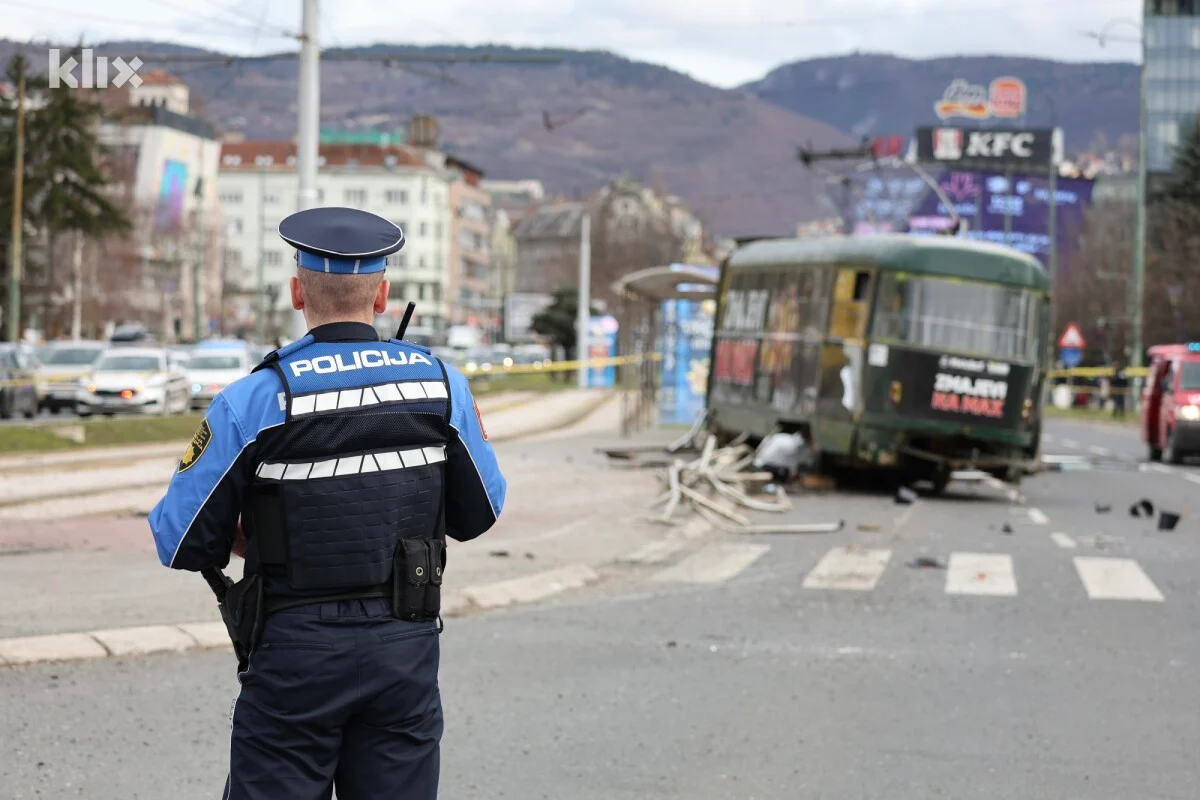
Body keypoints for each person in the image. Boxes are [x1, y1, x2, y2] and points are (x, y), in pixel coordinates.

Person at [148, 206, 506, 799]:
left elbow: (181, 539)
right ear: (383, 295)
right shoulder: (441, 385)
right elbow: (479, 514)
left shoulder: (254, 398)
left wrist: (251, 534)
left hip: (294, 651)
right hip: (404, 646)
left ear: (297, 293)